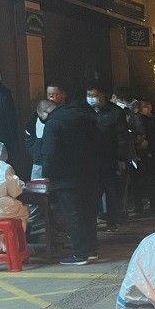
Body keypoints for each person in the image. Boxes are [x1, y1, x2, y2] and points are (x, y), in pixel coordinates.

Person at [42, 96, 102, 265]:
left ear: (45, 112)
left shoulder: (53, 123)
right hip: (89, 173)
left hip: (65, 177)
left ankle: (79, 253)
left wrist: (47, 173)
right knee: (88, 212)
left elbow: (50, 152)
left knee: (72, 214)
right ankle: (91, 250)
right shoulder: (85, 118)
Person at [86, 86, 131, 230]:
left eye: (94, 95)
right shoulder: (85, 112)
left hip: (109, 158)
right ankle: (92, 221)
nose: (92, 98)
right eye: (89, 95)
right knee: (93, 192)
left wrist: (121, 158)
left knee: (111, 190)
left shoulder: (115, 112)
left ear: (102, 95)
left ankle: (112, 219)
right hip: (91, 160)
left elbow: (122, 137)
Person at [24, 100, 55, 180]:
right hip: (38, 162)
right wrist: (36, 155)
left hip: (55, 162)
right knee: (37, 184)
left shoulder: (57, 121)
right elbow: (29, 144)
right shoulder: (31, 124)